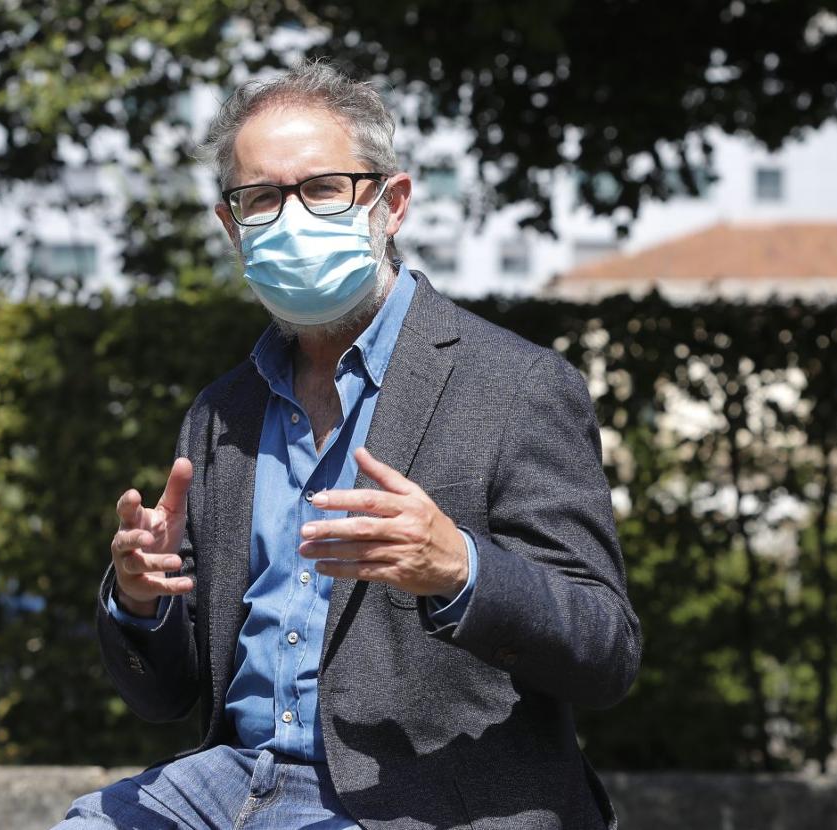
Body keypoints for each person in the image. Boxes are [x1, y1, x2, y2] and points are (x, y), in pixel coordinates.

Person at [57, 60, 641, 830]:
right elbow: (162, 696)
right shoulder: (221, 413)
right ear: (232, 226)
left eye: (323, 188)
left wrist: (461, 569)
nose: (290, 216)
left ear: (390, 204)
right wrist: (140, 601)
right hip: (233, 779)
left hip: (419, 797)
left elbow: (606, 650)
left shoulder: (514, 385)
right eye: (261, 197)